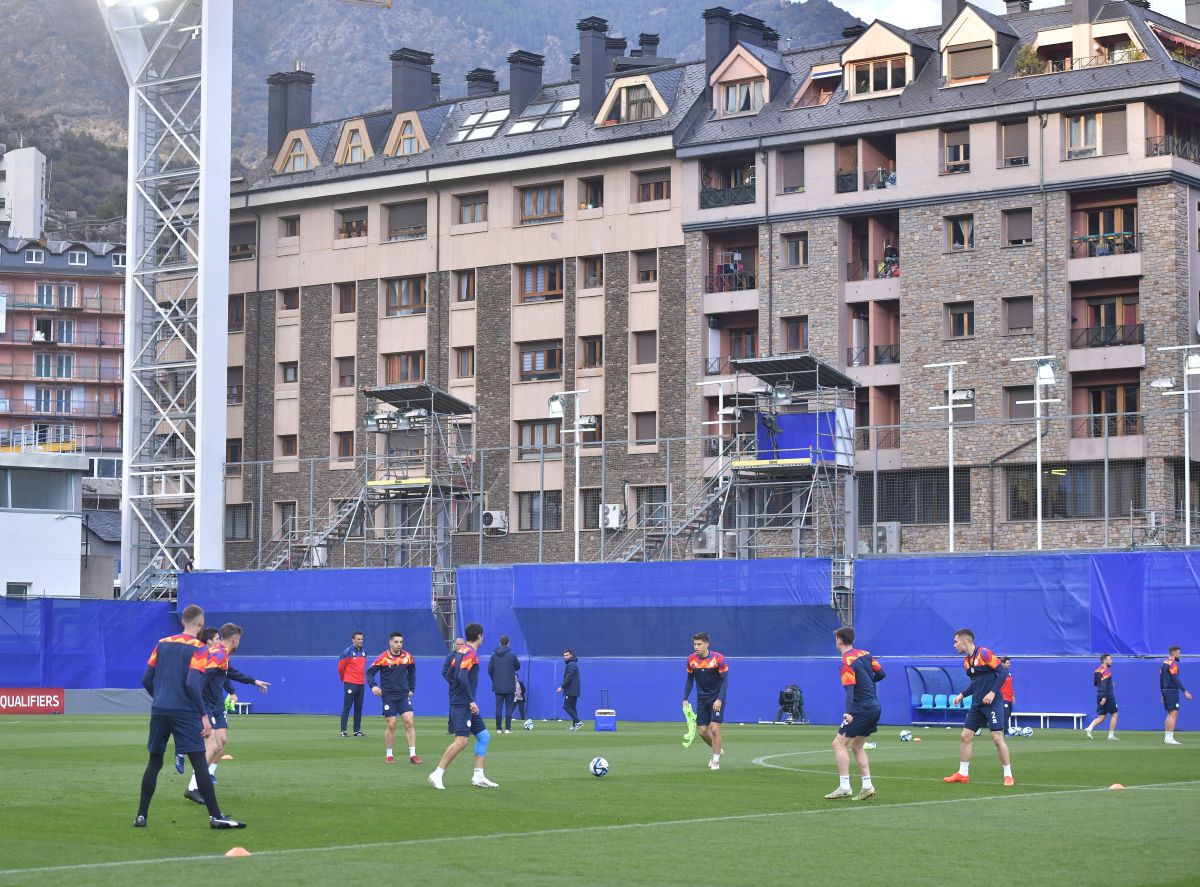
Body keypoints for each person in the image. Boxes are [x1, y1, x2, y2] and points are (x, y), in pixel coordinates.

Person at [135, 604, 245, 829]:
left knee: (154, 762)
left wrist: (159, 699)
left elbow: (146, 680)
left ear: (183, 621)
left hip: (159, 710)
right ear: (201, 624)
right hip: (184, 712)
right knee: (199, 762)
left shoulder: (162, 643)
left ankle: (141, 816)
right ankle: (215, 816)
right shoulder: (198, 648)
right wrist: (203, 715)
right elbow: (191, 683)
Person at [183, 623, 270, 803]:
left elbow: (229, 673)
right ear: (234, 639)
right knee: (212, 745)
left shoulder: (222, 654)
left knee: (221, 741)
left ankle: (204, 779)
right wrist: (197, 704)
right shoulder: (219, 653)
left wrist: (254, 681)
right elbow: (202, 677)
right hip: (206, 703)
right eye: (239, 640)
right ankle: (193, 786)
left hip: (214, 704)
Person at [428, 623, 497, 790]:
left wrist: (456, 691)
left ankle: (478, 776)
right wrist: (469, 699)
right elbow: (461, 676)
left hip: (462, 700)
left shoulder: (461, 651)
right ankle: (437, 773)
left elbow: (451, 674)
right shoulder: (470, 653)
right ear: (480, 636)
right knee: (461, 741)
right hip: (463, 703)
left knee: (484, 737)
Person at [944, 628, 1014, 787]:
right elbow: (976, 684)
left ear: (965, 641)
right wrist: (962, 695)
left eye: (956, 641)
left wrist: (992, 693)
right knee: (965, 736)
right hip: (977, 704)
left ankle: (1008, 775)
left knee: (997, 738)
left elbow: (1002, 673)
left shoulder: (984, 654)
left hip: (992, 703)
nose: (954, 645)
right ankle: (962, 774)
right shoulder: (966, 662)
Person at [825, 626, 884, 801]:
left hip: (860, 708)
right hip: (874, 707)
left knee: (838, 743)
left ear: (839, 641)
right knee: (857, 746)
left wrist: (848, 712)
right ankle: (867, 786)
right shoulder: (865, 654)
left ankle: (844, 787)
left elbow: (850, 690)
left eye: (836, 639)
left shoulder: (846, 662)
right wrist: (867, 683)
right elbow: (881, 673)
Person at [367, 632, 420, 764]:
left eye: (401, 642)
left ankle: (413, 755)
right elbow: (369, 673)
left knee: (409, 721)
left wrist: (411, 689)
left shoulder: (408, 657)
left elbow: (412, 672)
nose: (399, 645)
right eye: (396, 642)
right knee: (391, 724)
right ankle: (389, 755)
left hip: (403, 695)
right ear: (390, 642)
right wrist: (373, 686)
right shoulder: (383, 658)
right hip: (388, 696)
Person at [681, 632, 729, 771]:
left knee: (714, 728)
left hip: (716, 699)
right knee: (702, 731)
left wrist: (719, 699)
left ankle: (715, 761)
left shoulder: (718, 658)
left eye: (699, 644)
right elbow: (690, 679)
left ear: (707, 644)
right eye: (695, 644)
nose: (696, 647)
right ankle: (717, 749)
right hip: (701, 699)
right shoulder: (691, 659)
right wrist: (685, 698)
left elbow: (725, 680)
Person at [488, 634, 521, 734]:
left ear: (500, 643)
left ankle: (498, 728)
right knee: (508, 708)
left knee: (498, 707)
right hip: (509, 686)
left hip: (498, 686)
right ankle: (507, 728)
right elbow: (518, 666)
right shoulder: (512, 655)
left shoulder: (493, 655)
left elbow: (490, 670)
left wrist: (495, 679)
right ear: (508, 643)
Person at [338, 630, 367, 738]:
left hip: (361, 683)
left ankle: (357, 730)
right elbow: (340, 668)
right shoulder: (347, 652)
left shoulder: (364, 651)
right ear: (353, 640)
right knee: (347, 707)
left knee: (359, 707)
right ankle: (343, 731)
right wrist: (345, 680)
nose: (360, 641)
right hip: (350, 683)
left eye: (362, 639)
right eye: (358, 639)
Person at [1162, 645, 1192, 745]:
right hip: (1172, 691)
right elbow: (1175, 679)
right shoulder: (1172, 664)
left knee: (1170, 714)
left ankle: (1167, 737)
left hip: (1166, 691)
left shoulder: (1164, 663)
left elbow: (1161, 679)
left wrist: (1162, 693)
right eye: (1179, 653)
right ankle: (1170, 738)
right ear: (1174, 653)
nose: (1180, 655)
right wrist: (1185, 691)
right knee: (1174, 713)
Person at [1085, 654, 1119, 740]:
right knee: (1115, 715)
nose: (1111, 661)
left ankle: (1089, 728)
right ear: (1105, 661)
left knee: (1102, 716)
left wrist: (1110, 684)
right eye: (1110, 659)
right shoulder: (1106, 671)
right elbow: (1103, 684)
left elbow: (1096, 683)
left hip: (1099, 694)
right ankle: (1111, 735)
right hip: (1107, 695)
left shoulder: (1097, 670)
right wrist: (1104, 697)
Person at [557, 649, 582, 731]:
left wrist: (561, 687)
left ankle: (578, 722)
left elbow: (569, 677)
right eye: (564, 655)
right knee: (573, 707)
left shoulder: (571, 664)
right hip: (574, 690)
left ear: (571, 655)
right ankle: (575, 725)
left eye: (567, 655)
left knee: (566, 706)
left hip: (571, 689)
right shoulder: (572, 663)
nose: (565, 657)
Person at [999, 656, 1014, 734]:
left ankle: (1002, 729)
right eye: (1007, 663)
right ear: (1002, 664)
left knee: (1008, 714)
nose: (1009, 664)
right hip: (1003, 697)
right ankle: (1005, 732)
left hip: (1009, 698)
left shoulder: (1009, 673)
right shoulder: (999, 673)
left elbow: (1010, 686)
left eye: (1009, 663)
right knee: (1005, 714)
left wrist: (1013, 695)